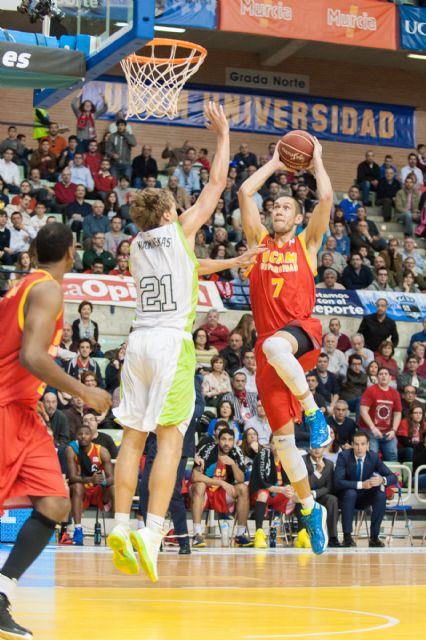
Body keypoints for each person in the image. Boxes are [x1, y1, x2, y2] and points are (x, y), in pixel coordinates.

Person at [106, 103, 230, 581]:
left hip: (136, 344)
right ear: (167, 212)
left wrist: (235, 260)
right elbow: (215, 186)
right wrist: (222, 137)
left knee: (131, 440)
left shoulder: (135, 247)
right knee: (171, 443)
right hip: (171, 346)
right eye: (176, 207)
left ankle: (119, 523)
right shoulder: (180, 230)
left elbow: (190, 267)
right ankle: (154, 533)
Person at [0, 223, 111, 639]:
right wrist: (84, 391)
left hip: (25, 411)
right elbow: (31, 356)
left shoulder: (22, 286)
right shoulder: (46, 289)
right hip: (6, 408)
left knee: (55, 503)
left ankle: (1, 591)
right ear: (71, 252)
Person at [238, 135, 334, 554]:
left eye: (285, 208)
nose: (276, 210)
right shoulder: (257, 244)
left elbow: (326, 196)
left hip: (301, 332)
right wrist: (276, 162)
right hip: (268, 351)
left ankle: (315, 415)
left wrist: (317, 164)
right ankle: (311, 509)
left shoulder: (307, 244)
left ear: (297, 218)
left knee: (278, 347)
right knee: (282, 443)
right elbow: (244, 191)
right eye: (274, 207)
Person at [334, 430, 397, 547]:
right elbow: (338, 482)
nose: (359, 448)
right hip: (346, 496)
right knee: (350, 493)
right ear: (352, 445)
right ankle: (347, 537)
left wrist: (382, 480)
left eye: (363, 444)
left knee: (380, 494)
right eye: (356, 444)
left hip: (365, 496)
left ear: (368, 445)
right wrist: (361, 484)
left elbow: (393, 477)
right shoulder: (343, 456)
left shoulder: (373, 457)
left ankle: (374, 538)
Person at [191, 428, 252, 548]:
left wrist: (233, 464)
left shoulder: (236, 452)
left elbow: (240, 479)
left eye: (230, 440)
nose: (226, 443)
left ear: (234, 441)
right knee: (199, 485)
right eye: (223, 439)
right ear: (218, 441)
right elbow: (195, 475)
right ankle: (197, 534)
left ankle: (240, 535)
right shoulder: (208, 450)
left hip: (222, 495)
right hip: (205, 493)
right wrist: (221, 483)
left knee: (243, 488)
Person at [65, 424, 114, 545]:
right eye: (80, 434)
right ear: (76, 436)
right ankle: (78, 530)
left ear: (92, 436)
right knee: (77, 486)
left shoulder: (102, 451)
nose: (83, 436)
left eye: (86, 434)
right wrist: (90, 479)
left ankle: (118, 530)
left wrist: (102, 482)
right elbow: (72, 477)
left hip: (98, 490)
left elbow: (111, 478)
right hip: (81, 491)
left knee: (114, 489)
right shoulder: (71, 450)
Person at [249, 437, 294, 549]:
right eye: (273, 443)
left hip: (278, 494)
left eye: (279, 443)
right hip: (260, 494)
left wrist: (289, 488)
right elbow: (261, 482)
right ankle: (259, 533)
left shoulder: (286, 458)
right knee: (263, 494)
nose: (276, 446)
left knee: (297, 496)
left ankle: (303, 534)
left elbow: (289, 481)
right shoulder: (263, 455)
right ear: (270, 444)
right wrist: (282, 490)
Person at [298, 447, 341, 547]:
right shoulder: (302, 461)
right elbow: (303, 484)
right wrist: (317, 472)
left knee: (332, 499)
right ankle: (305, 536)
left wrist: (314, 493)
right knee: (303, 500)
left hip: (319, 495)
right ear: (309, 448)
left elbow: (329, 487)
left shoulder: (329, 464)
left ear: (324, 449)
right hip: (303, 496)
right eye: (314, 447)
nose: (317, 450)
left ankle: (333, 537)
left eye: (320, 448)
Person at [359, 367, 402, 461]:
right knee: (372, 456)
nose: (383, 376)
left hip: (388, 432)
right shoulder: (371, 390)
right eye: (381, 374)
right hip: (370, 431)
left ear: (390, 378)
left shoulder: (395, 393)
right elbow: (363, 411)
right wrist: (373, 428)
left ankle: (392, 475)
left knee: (393, 457)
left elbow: (397, 413)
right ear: (377, 377)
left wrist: (394, 430)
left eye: (386, 374)